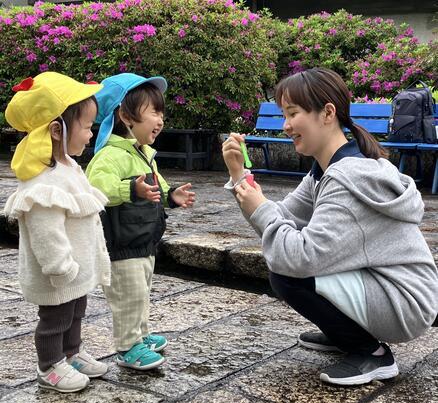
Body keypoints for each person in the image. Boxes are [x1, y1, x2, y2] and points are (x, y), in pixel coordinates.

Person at [222, 68, 438, 386]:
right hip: (389, 286)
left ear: (327, 113)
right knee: (289, 261)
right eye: (284, 114)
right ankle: (347, 334)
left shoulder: (347, 178)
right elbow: (281, 216)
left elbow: (296, 257)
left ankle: (371, 353)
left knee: (287, 274)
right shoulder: (325, 171)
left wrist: (260, 205)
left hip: (404, 302)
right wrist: (240, 177)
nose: (285, 126)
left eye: (293, 113)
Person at [4, 72, 111, 393]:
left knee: (76, 311)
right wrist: (60, 266)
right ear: (56, 130)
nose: (91, 134)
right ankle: (49, 365)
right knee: (55, 319)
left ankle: (71, 352)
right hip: (59, 271)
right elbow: (45, 232)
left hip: (76, 269)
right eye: (87, 126)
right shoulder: (43, 181)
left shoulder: (69, 166)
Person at [86, 73, 195, 371]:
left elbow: (157, 183)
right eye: (154, 112)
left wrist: (172, 195)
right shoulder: (109, 156)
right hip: (121, 243)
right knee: (128, 296)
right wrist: (130, 189)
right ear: (125, 116)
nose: (160, 120)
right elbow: (97, 190)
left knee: (141, 292)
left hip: (143, 239)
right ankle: (127, 346)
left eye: (161, 112)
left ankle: (141, 335)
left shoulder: (145, 154)